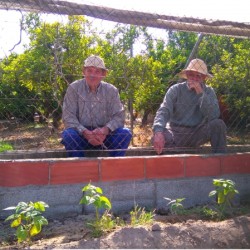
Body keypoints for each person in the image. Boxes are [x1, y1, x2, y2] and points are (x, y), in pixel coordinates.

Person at [61, 55, 132, 157]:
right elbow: (68, 116)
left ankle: (114, 167)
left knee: (125, 134)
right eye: (89, 71)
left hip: (105, 136)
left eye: (97, 71)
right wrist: (85, 132)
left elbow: (119, 116)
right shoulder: (73, 88)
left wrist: (105, 130)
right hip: (81, 135)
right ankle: (79, 169)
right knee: (68, 135)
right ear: (83, 72)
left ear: (104, 74)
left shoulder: (111, 90)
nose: (92, 75)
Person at [152, 58, 227, 154]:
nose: (194, 78)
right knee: (157, 136)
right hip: (175, 133)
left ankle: (220, 162)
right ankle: (177, 161)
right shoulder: (176, 89)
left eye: (198, 76)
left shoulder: (208, 91)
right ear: (187, 75)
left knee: (218, 125)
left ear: (204, 78)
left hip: (197, 133)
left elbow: (214, 115)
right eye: (191, 75)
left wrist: (200, 93)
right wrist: (158, 131)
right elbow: (164, 110)